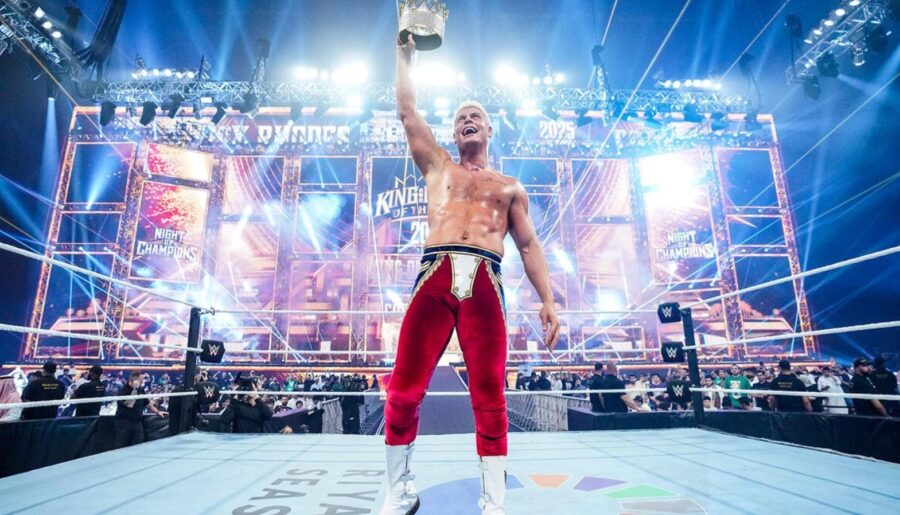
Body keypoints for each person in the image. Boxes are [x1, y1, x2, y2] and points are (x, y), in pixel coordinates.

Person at [382, 35, 561, 515]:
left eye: (475, 115)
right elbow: (407, 112)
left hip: (486, 278)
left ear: (489, 129)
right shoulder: (438, 167)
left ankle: (493, 502)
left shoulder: (510, 187)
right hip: (435, 273)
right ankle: (398, 491)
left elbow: (528, 245)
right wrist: (404, 56)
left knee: (489, 394)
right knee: (403, 388)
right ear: (454, 131)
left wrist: (548, 299)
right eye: (460, 117)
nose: (466, 120)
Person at [115, 371, 166, 448]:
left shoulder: (141, 389)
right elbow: (129, 405)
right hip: (124, 422)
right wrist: (135, 390)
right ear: (135, 381)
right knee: (122, 445)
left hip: (137, 422)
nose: (143, 382)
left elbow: (147, 404)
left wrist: (157, 411)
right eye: (141, 380)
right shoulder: (123, 390)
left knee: (138, 445)